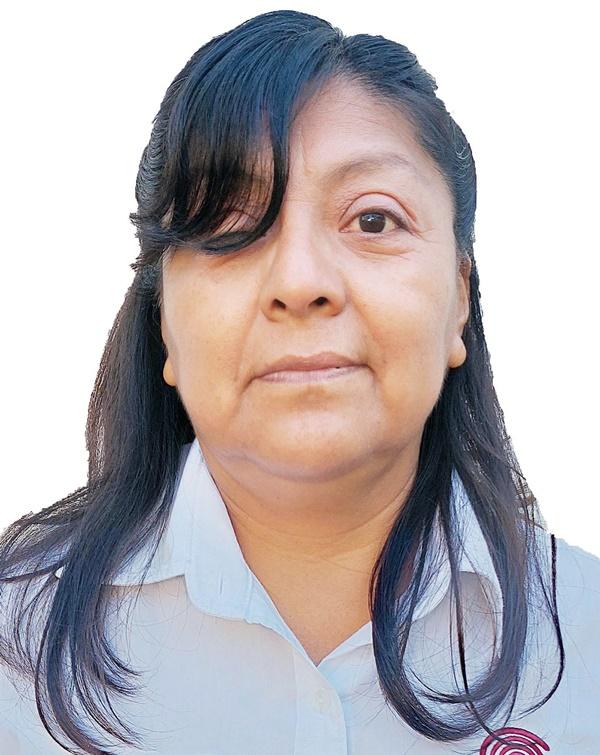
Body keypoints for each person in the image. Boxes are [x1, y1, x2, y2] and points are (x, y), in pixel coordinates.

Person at [1, 9, 598, 755]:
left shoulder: (587, 637)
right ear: (164, 324)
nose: (300, 281)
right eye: (229, 226)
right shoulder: (13, 651)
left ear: (459, 300)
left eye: (373, 220)